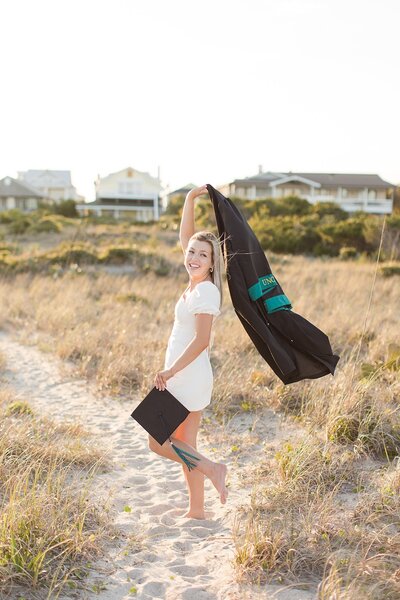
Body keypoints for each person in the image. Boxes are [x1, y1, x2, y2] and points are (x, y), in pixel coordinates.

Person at [149, 185, 229, 520]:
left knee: (157, 442)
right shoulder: (196, 281)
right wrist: (189, 199)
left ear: (212, 264)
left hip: (185, 378)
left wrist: (168, 372)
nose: (193, 257)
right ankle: (197, 510)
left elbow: (202, 341)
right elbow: (187, 236)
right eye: (192, 252)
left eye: (203, 255)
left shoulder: (206, 292)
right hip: (186, 376)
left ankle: (212, 469)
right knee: (186, 447)